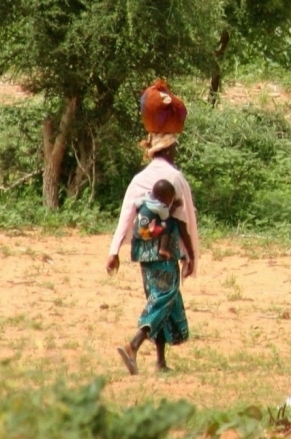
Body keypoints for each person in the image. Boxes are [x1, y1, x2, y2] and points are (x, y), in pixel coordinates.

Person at [106, 133, 199, 375]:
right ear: (167, 151)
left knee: (160, 300)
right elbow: (183, 221)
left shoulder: (140, 179)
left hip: (142, 252)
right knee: (164, 297)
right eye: (174, 148)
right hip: (165, 253)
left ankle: (160, 361)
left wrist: (114, 251)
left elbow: (127, 214)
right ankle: (133, 345)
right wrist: (191, 256)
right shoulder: (175, 178)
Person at [133, 179, 181, 261]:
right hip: (146, 234)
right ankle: (163, 248)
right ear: (161, 198)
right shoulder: (161, 207)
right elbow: (166, 217)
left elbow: (136, 204)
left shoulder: (145, 197)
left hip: (137, 231)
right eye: (169, 199)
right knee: (167, 225)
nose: (170, 202)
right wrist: (174, 207)